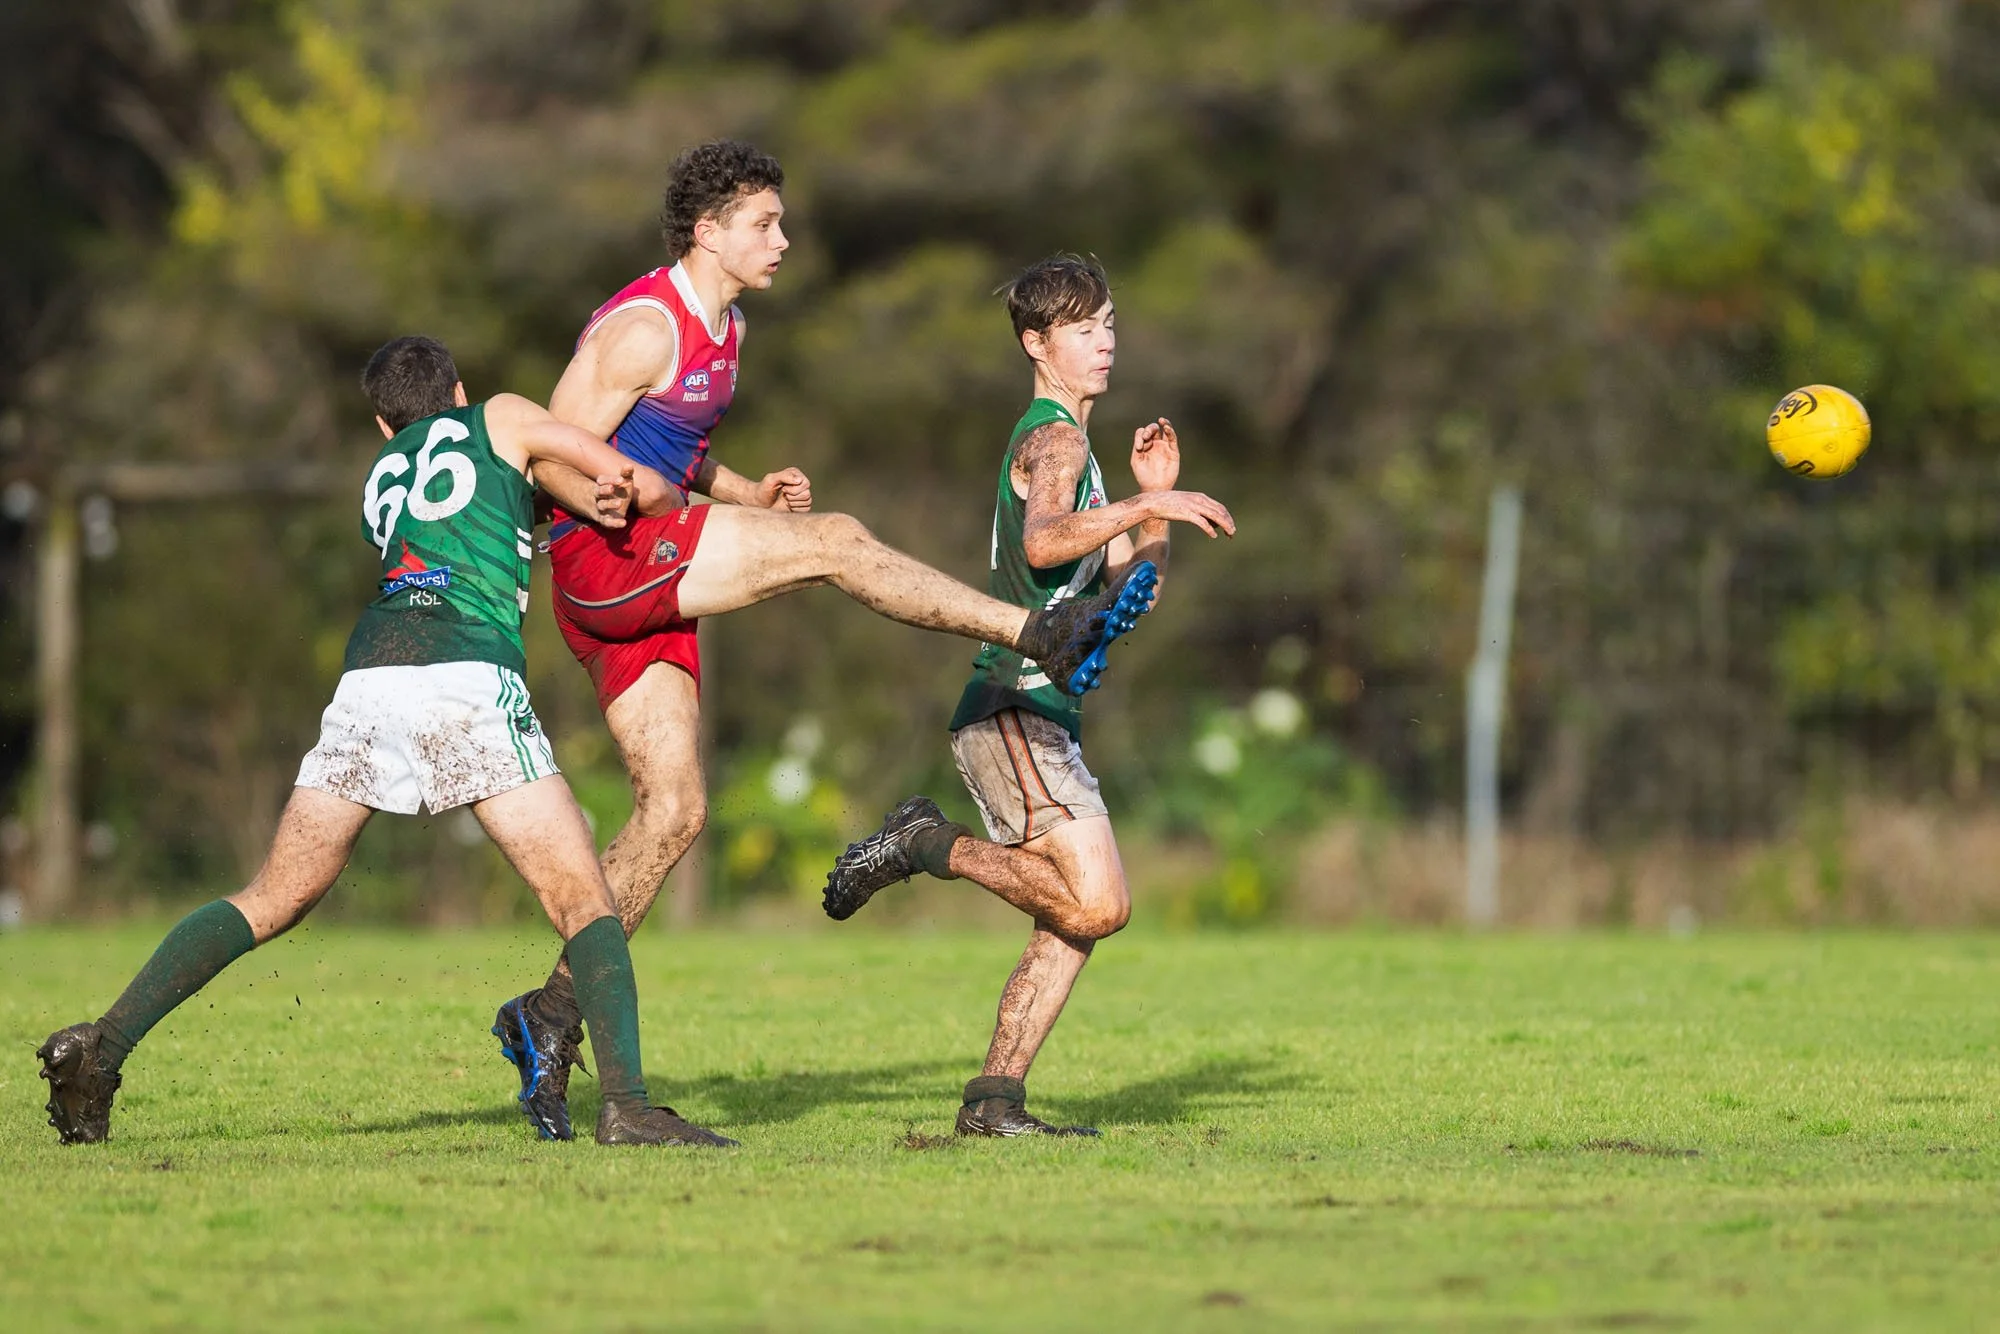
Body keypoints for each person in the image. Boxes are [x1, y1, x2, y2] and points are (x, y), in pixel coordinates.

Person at [493, 145, 1161, 1141]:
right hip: (607, 559)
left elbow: (669, 442)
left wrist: (743, 490)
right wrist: (587, 503)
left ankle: (550, 1014)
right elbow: (548, 447)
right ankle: (1028, 628)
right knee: (838, 544)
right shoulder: (643, 327)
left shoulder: (729, 328)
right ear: (707, 232)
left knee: (674, 812)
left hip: (648, 570)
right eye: (763, 223)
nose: (783, 239)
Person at [36, 336, 732, 1149]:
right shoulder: (500, 415)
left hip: (370, 679)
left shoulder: (380, 478)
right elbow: (621, 473)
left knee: (272, 896)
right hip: (463, 672)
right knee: (585, 898)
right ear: (460, 390)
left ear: (381, 423)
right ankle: (628, 1107)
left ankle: (101, 1048)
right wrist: (654, 498)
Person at [820, 254, 1235, 1137]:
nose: (1105, 342)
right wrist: (1140, 508)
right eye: (1082, 329)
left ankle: (994, 1102)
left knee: (1072, 919)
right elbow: (1046, 543)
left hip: (1039, 713)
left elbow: (1131, 596)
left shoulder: (1081, 452)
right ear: (1036, 345)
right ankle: (924, 840)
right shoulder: (1057, 440)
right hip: (1011, 703)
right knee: (1102, 904)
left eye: (1109, 323)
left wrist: (1155, 503)